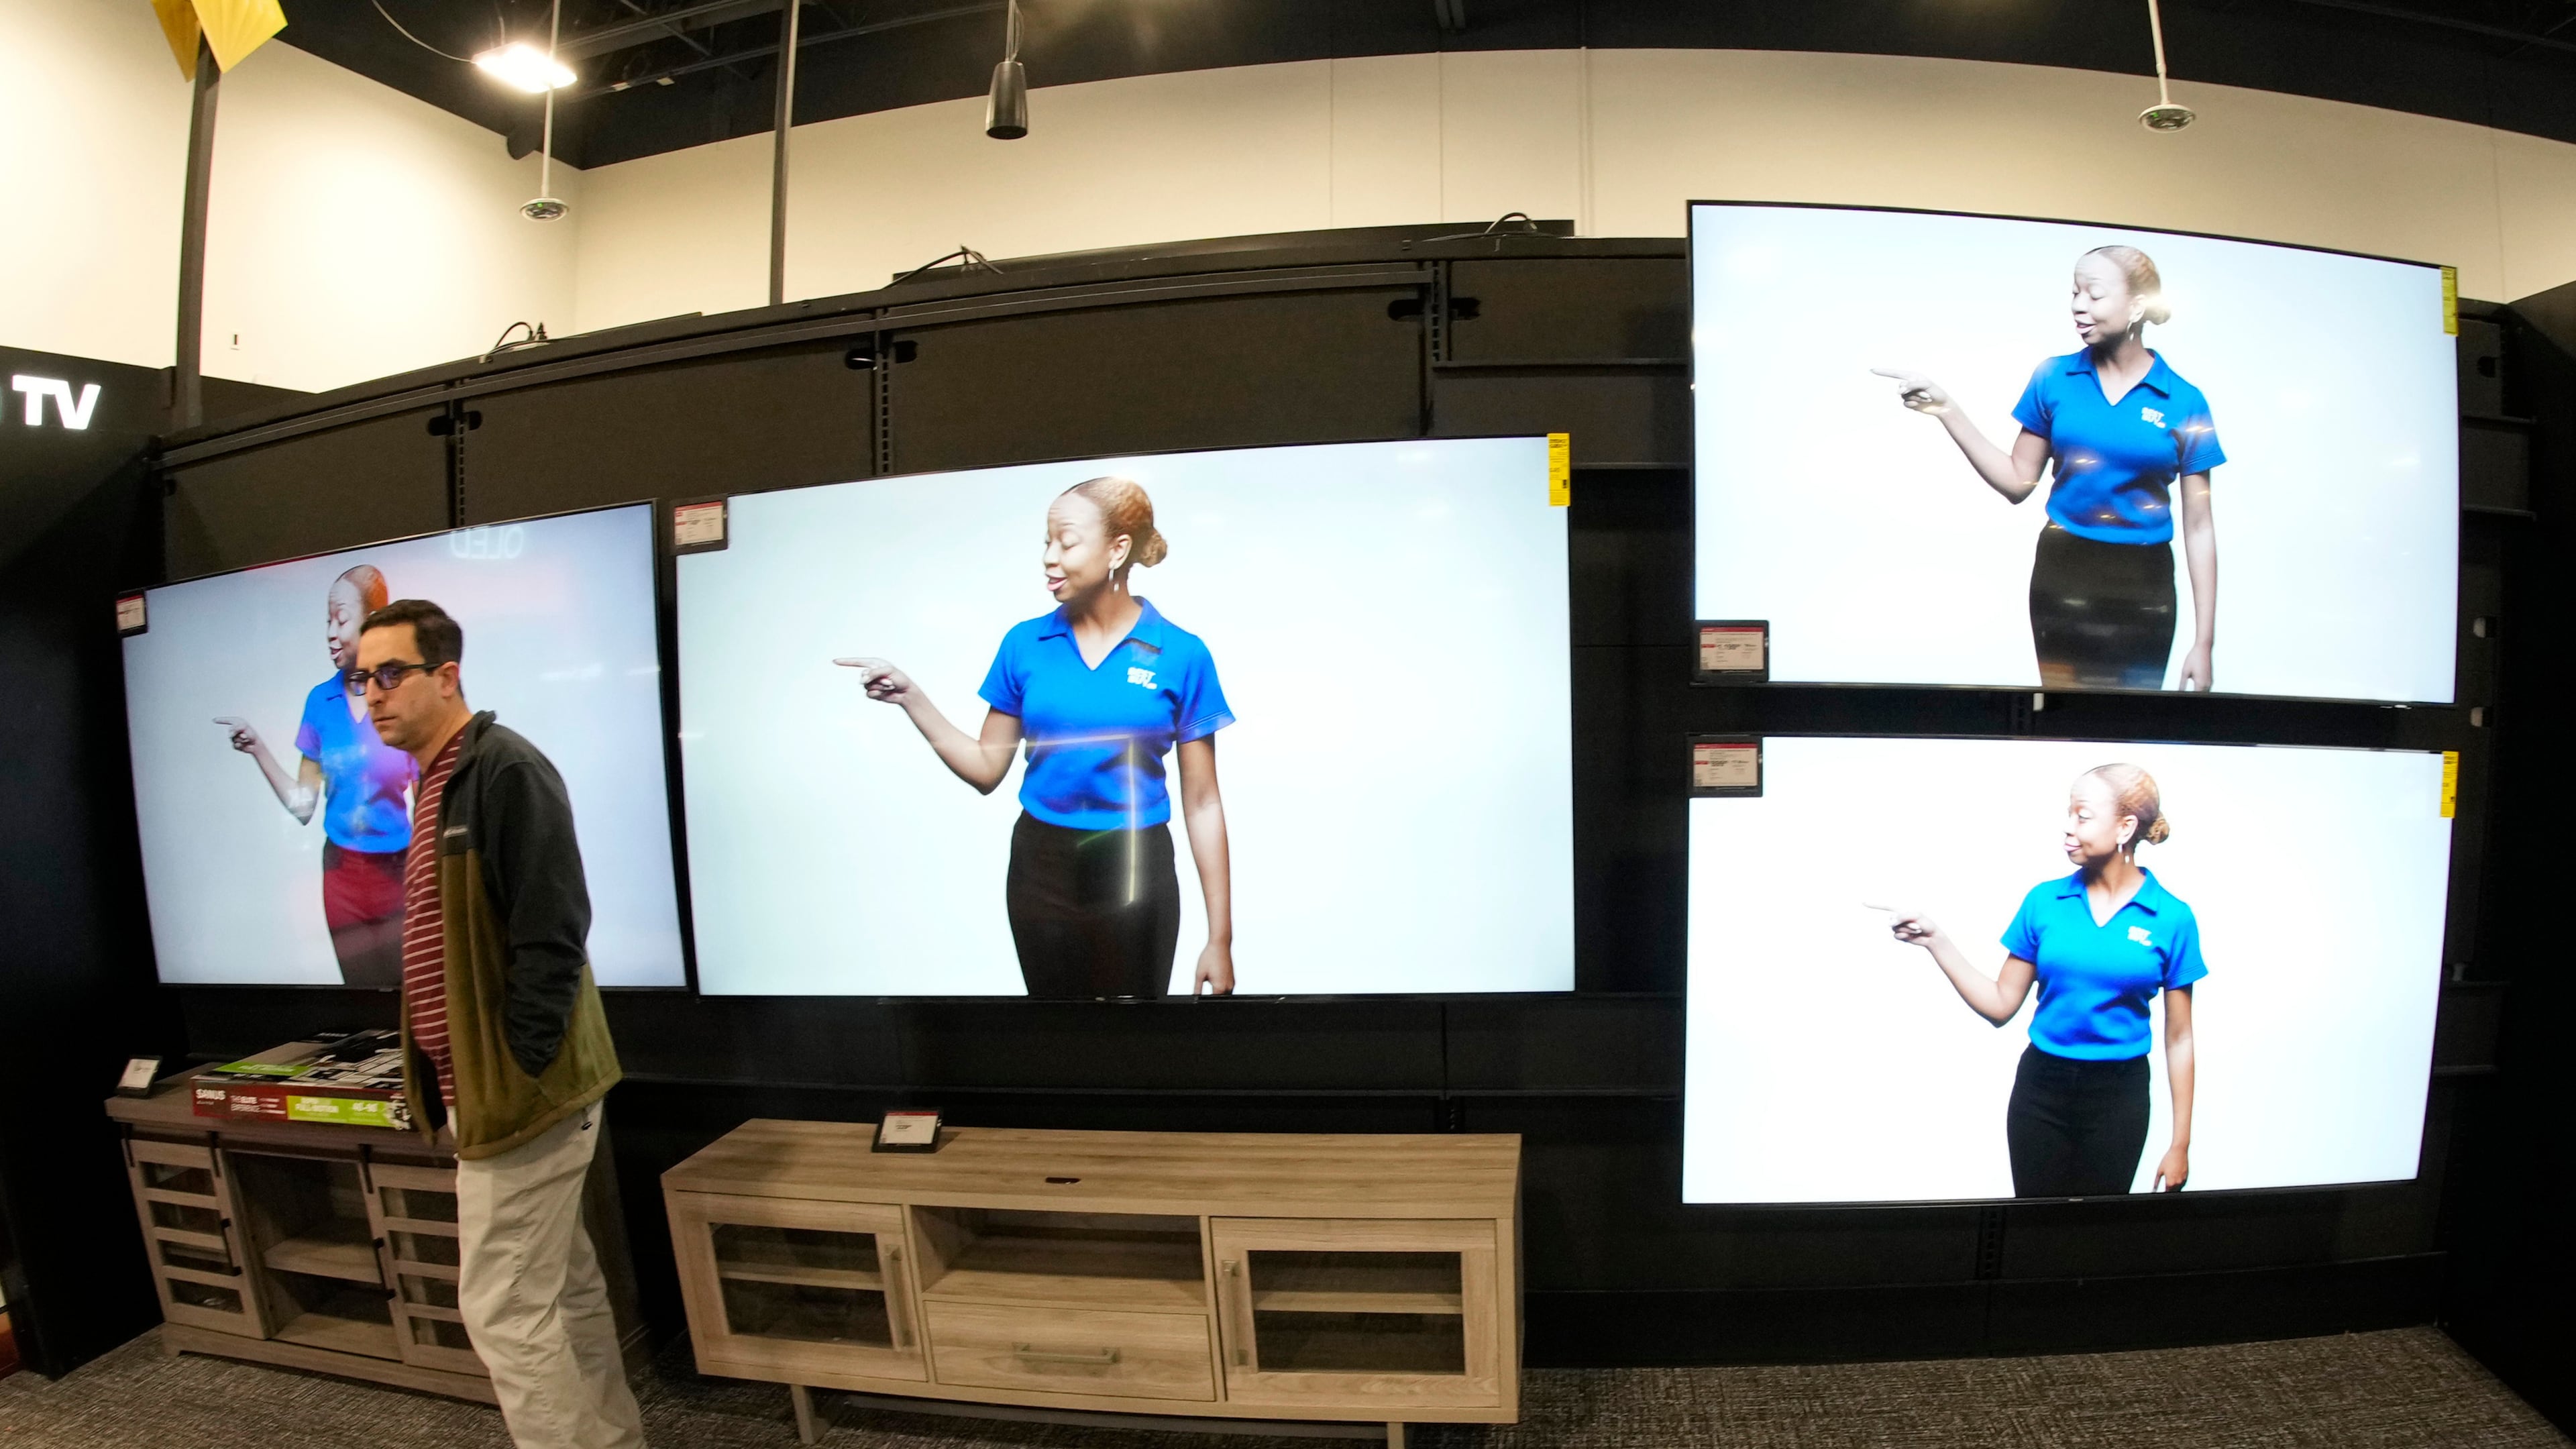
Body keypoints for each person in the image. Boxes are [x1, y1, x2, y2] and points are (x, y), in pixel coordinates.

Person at [356, 598, 644, 1449]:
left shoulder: (503, 768)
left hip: (521, 1092)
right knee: (563, 1290)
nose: (374, 694)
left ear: (447, 676)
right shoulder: (436, 780)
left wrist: (519, 1066)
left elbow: (553, 930)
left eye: (391, 673)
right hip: (489, 1089)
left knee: (503, 1309)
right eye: (362, 679)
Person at [839, 476, 1236, 999]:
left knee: (1132, 1036)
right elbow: (986, 769)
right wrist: (911, 696)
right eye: (1047, 541)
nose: (1050, 557)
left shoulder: (1183, 654)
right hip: (1041, 868)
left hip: (1136, 869)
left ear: (1118, 549)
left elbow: (1203, 802)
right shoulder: (1024, 644)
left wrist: (1220, 939)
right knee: (1052, 1032)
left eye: (1067, 542)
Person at [1874, 246, 2225, 691]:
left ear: (2138, 306)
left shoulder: (2185, 400)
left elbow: (2199, 527)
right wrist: (1947, 409)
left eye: (2095, 294)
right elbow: (2018, 482)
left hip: (2144, 581)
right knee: (2064, 715)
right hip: (2063, 571)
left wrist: (2204, 643)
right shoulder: (2053, 378)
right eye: (2075, 292)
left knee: (2134, 717)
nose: (2078, 305)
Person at [1885, 765, 2203, 1198]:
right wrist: (1935, 940)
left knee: (2097, 1229)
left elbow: (2180, 1038)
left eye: (2082, 816)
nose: (2068, 827)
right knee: (2035, 1225)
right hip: (2042, 1089)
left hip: (2119, 1097)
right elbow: (2001, 1005)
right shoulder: (2044, 902)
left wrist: (2180, 1144)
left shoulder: (2173, 918)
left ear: (2126, 827)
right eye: (2069, 814)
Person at [215, 564, 417, 986]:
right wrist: (257, 747)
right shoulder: (320, 702)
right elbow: (303, 807)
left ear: (373, 623)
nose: (330, 632)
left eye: (341, 619)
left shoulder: (402, 701)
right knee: (362, 999)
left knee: (411, 999)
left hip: (399, 877)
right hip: (340, 875)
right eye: (327, 620)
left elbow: (431, 807)